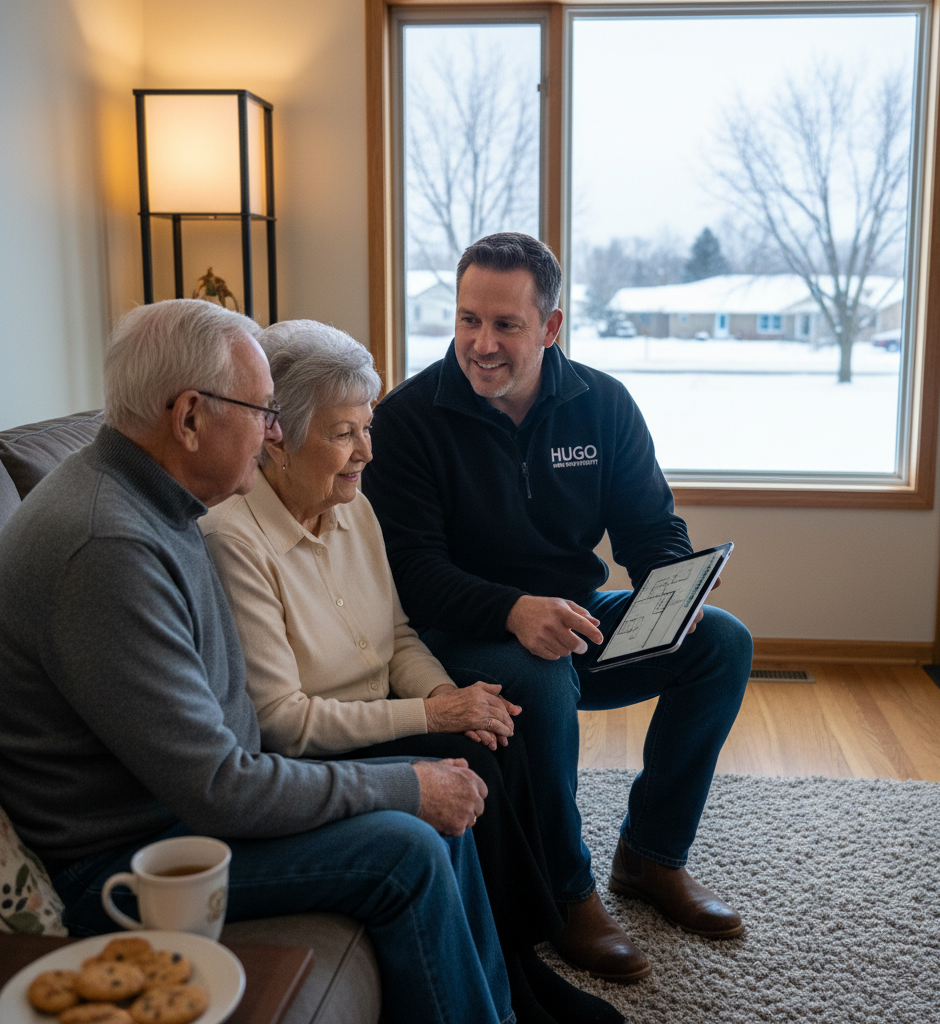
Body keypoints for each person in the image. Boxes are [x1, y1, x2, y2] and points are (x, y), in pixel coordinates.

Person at [0, 299, 513, 1024]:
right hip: (130, 859)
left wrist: (408, 780)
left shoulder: (156, 504)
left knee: (437, 808)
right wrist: (402, 785)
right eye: (264, 410)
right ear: (188, 418)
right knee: (411, 845)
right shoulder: (109, 547)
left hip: (188, 810)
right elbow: (216, 785)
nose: (275, 434)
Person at [200, 318, 624, 1024]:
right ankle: (514, 986)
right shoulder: (233, 542)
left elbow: (397, 636)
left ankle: (518, 964)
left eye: (368, 427)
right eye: (343, 433)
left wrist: (450, 695)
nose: (367, 450)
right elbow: (285, 722)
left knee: (492, 736)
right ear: (276, 434)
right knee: (469, 756)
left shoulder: (354, 506)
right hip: (321, 748)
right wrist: (433, 716)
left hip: (381, 719)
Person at [363, 232, 754, 984]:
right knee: (539, 677)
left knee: (722, 645)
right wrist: (511, 609)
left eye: (506, 325)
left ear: (550, 327)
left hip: (574, 618)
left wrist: (675, 582)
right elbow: (411, 572)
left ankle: (650, 857)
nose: (481, 343)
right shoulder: (408, 420)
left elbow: (649, 524)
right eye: (468, 319)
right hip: (458, 635)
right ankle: (569, 892)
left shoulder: (601, 404)